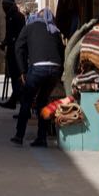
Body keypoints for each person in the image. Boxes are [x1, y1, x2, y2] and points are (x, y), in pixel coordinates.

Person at [12, 8, 64, 146]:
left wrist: (22, 71)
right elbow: (61, 51)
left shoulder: (29, 27)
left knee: (27, 100)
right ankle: (42, 138)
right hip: (54, 69)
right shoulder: (54, 30)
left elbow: (18, 47)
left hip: (38, 69)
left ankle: (19, 135)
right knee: (43, 101)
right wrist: (59, 72)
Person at [0, 0, 26, 109]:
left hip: (15, 51)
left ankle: (15, 100)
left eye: (4, 6)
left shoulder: (12, 16)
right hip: (17, 49)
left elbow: (12, 35)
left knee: (16, 77)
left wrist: (5, 43)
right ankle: (15, 100)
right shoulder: (17, 15)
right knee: (16, 77)